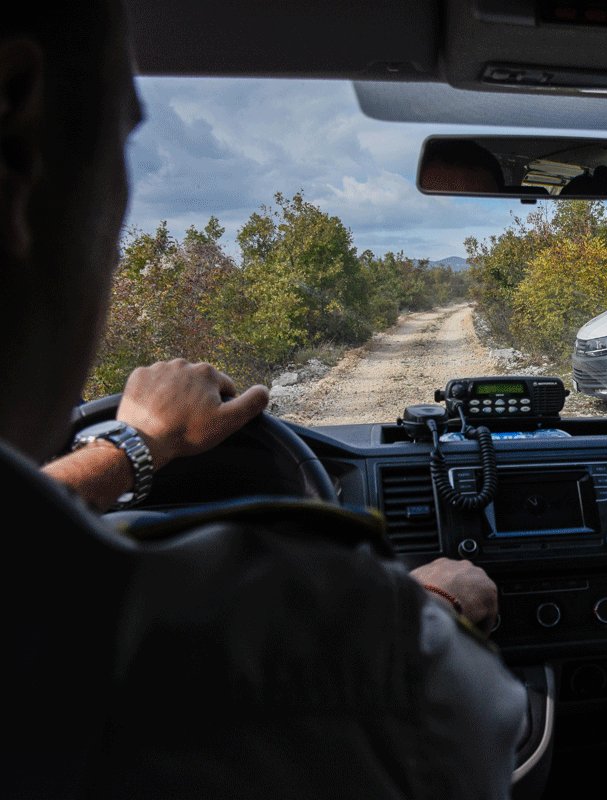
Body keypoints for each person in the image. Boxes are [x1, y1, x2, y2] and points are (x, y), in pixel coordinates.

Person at [1, 4, 526, 798]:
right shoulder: (355, 664)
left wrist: (133, 445)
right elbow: (471, 732)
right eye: (124, 135)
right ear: (14, 123)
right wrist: (434, 610)